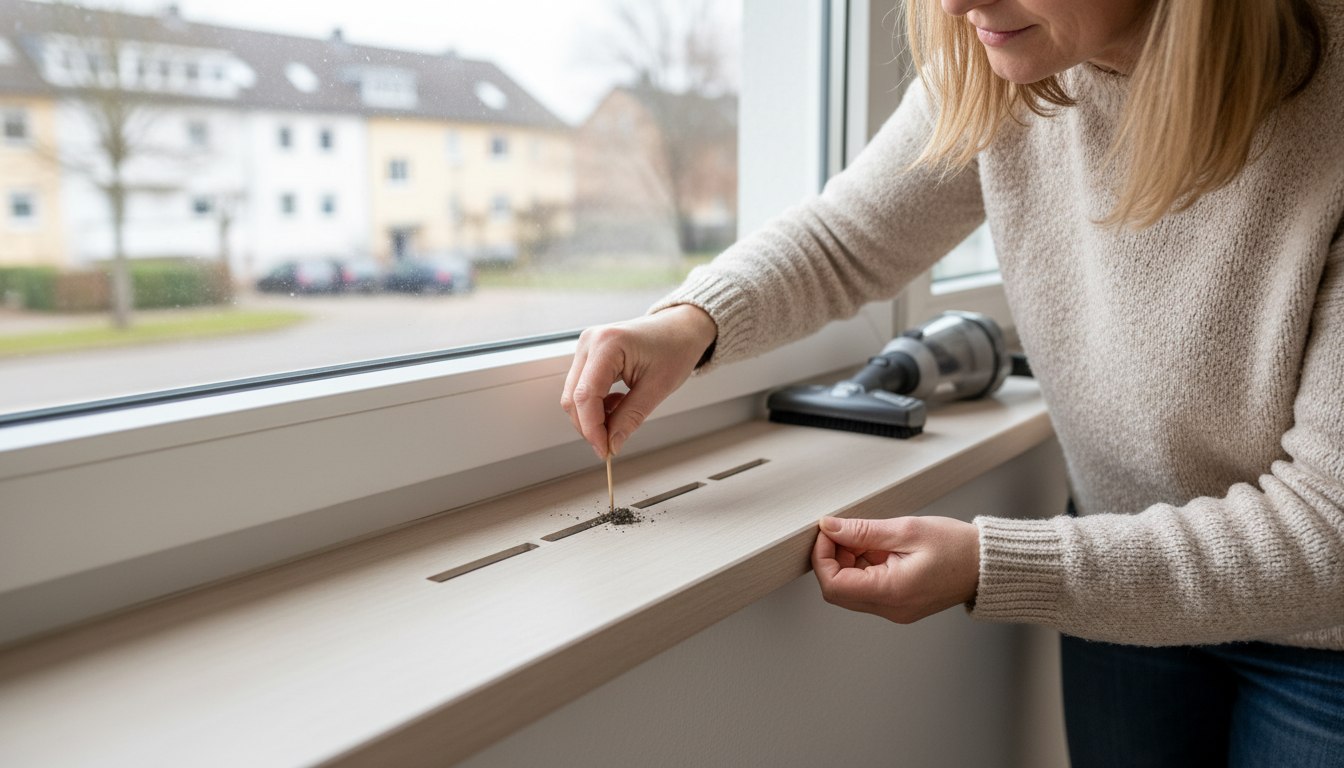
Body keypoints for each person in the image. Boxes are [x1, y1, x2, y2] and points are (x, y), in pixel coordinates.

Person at [561, 0, 1344, 764]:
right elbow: (845, 239)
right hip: (1129, 609)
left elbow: (1327, 529)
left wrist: (991, 565)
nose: (954, 3)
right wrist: (689, 322)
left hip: (1324, 648)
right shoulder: (1007, 59)